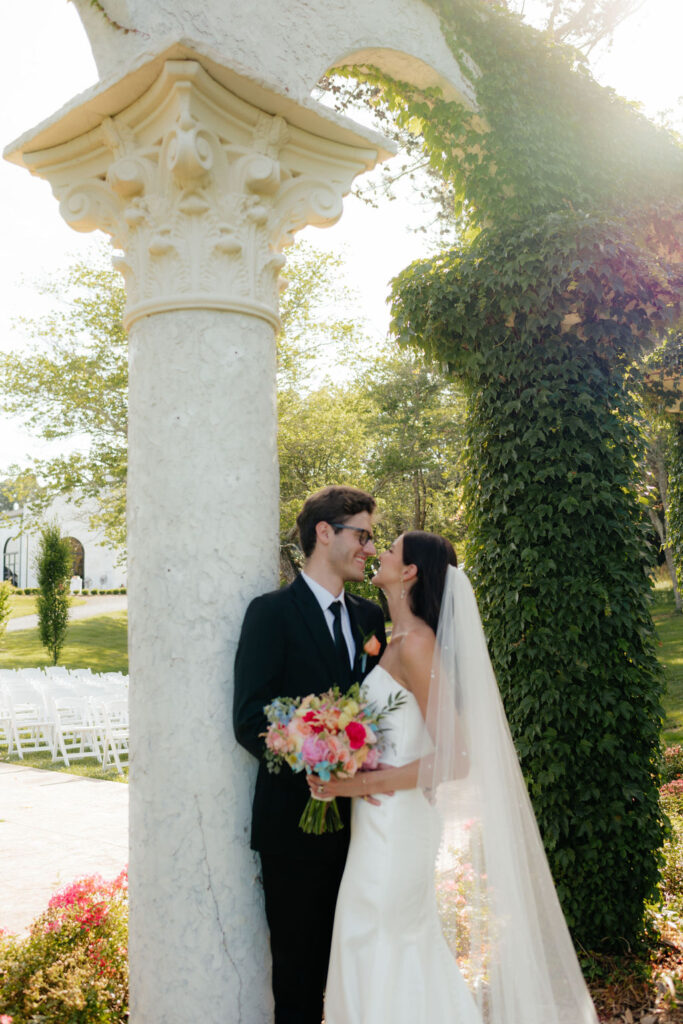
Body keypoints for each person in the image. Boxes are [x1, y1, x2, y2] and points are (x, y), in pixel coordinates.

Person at [313, 531, 599, 1024]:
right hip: (376, 824)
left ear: (408, 573)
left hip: (397, 828)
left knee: (380, 939)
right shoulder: (392, 638)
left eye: (391, 548)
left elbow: (456, 759)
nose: (378, 551)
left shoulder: (418, 643)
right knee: (378, 940)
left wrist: (354, 785)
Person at [233, 486, 387, 1024]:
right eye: (362, 534)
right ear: (325, 532)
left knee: (355, 972)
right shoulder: (270, 613)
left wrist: (359, 760)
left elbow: (378, 712)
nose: (369, 547)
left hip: (366, 831)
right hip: (292, 833)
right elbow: (250, 719)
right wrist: (318, 756)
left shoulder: (372, 618)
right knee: (298, 980)